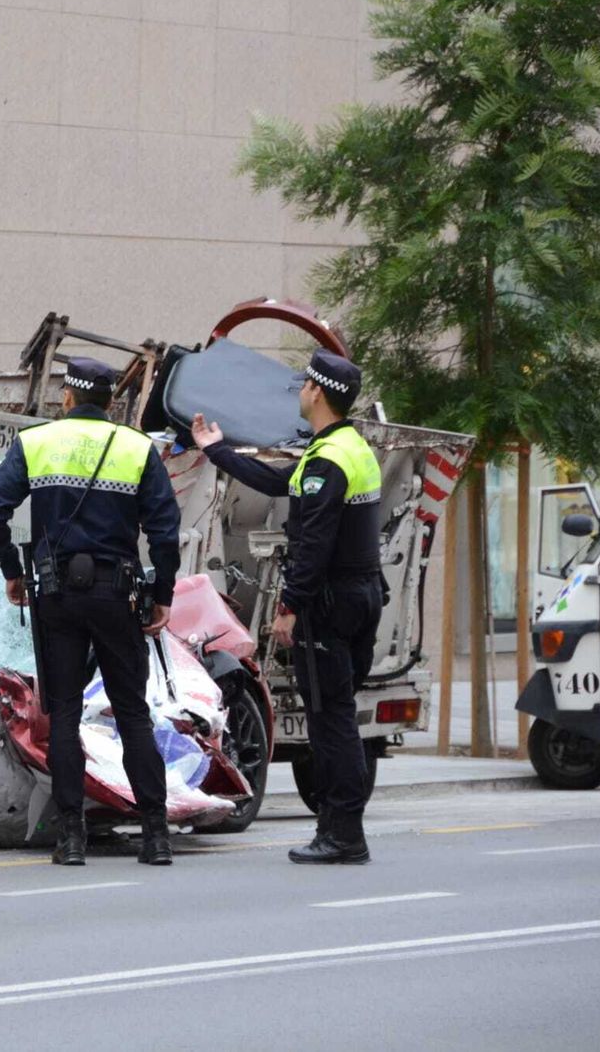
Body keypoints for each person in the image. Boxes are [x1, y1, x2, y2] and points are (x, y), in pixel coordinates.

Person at [0, 356, 182, 867]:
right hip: (118, 596)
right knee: (133, 713)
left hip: (58, 597)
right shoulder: (137, 449)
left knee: (64, 715)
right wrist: (164, 594)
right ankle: (155, 836)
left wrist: (11, 567)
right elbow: (165, 531)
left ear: (67, 397)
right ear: (111, 401)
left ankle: (71, 838)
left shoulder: (37, 442)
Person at [190, 349, 382, 864]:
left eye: (303, 386)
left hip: (331, 601)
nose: (298, 392)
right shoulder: (348, 448)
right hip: (361, 595)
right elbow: (282, 483)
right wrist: (217, 450)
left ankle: (343, 834)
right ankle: (344, 829)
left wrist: (289, 607)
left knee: (330, 720)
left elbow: (314, 543)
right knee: (339, 717)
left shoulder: (327, 461)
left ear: (317, 392)